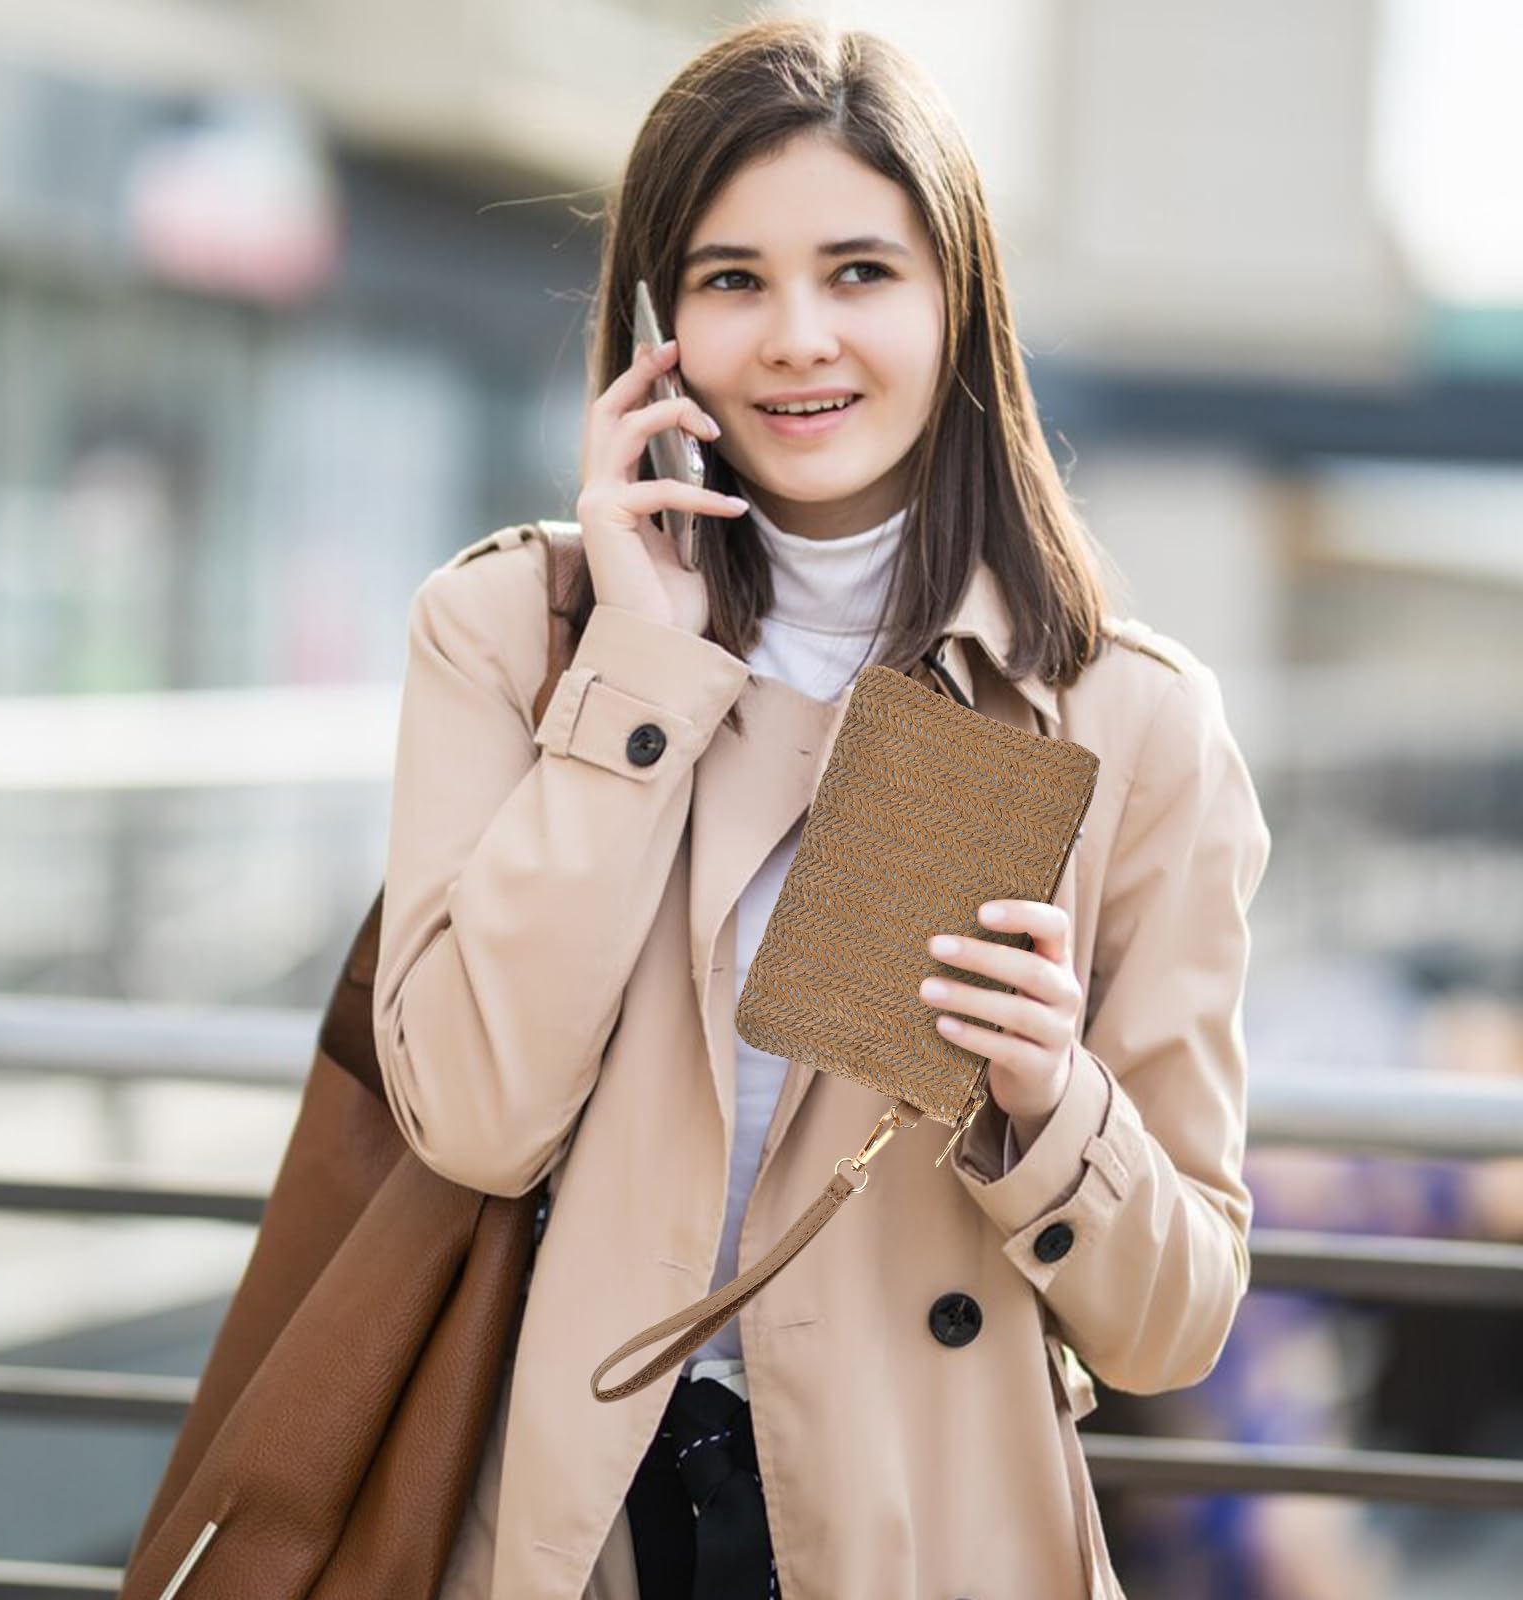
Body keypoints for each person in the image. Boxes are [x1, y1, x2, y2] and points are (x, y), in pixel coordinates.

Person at [371, 17, 1271, 1600]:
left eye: (861, 272)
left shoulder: (1120, 718)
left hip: (921, 1535)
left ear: (956, 302)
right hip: (582, 1518)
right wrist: (640, 675)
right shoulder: (516, 635)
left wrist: (1051, 1099)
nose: (797, 337)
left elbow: (1174, 1320)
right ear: (655, 322)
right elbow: (476, 1117)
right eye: (733, 279)